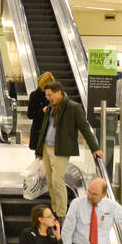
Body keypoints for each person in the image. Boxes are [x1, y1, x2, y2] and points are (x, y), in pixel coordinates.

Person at [34, 81, 104, 221]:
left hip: (61, 148)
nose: (48, 97)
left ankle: (62, 213)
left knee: (57, 179)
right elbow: (44, 129)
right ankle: (54, 209)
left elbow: (84, 128)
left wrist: (95, 147)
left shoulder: (73, 107)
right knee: (50, 181)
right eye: (46, 95)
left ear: (59, 92)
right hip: (47, 148)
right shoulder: (50, 108)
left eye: (50, 95)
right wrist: (39, 149)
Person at [26, 72, 54, 159]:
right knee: (40, 158)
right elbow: (30, 115)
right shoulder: (35, 95)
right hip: (39, 130)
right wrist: (42, 111)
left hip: (51, 130)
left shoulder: (53, 95)